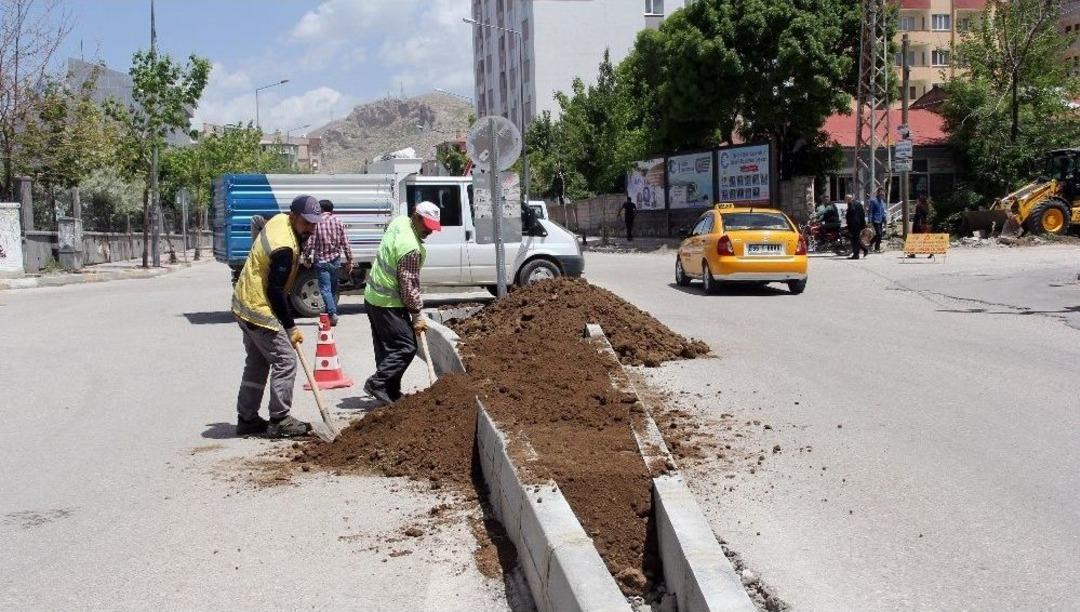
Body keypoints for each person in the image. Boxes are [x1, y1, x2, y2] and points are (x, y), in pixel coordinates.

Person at [231, 195, 322, 438]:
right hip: (257, 307)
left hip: (243, 301)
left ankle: (247, 419)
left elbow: (259, 222)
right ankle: (279, 419)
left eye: (314, 224)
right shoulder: (285, 247)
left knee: (258, 362)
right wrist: (291, 327)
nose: (310, 229)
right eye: (306, 223)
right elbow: (274, 291)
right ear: (293, 216)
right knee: (285, 360)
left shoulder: (279, 220)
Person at [362, 201, 442, 405]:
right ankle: (378, 383)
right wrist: (417, 314)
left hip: (373, 297)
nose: (429, 232)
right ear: (416, 217)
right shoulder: (411, 248)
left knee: (387, 348)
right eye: (427, 226)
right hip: (388, 302)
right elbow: (409, 286)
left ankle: (389, 391)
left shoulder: (399, 222)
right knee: (405, 346)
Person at [303, 199, 353, 327]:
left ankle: (332, 314)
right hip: (335, 260)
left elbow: (311, 242)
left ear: (320, 209)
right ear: (332, 210)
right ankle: (332, 311)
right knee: (334, 288)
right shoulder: (338, 221)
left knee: (325, 289)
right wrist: (349, 260)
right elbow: (345, 242)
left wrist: (307, 256)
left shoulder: (317, 222)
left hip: (321, 260)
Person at [846, 195, 868, 259]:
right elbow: (862, 214)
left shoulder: (851, 204)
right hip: (858, 224)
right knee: (856, 239)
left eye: (847, 199)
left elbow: (852, 215)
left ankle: (856, 254)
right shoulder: (859, 204)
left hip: (854, 225)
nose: (846, 201)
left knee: (854, 240)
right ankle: (863, 250)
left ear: (850, 199)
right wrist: (863, 224)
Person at [869, 187, 886, 252]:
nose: (882, 194)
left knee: (880, 234)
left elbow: (883, 211)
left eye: (883, 193)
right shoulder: (873, 201)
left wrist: (885, 220)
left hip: (881, 220)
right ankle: (872, 244)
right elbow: (870, 211)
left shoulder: (882, 201)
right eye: (881, 192)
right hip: (875, 219)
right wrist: (870, 221)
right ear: (878, 193)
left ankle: (876, 248)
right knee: (879, 234)